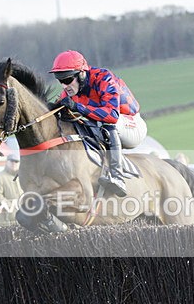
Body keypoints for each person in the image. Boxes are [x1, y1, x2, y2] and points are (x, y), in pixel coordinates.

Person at [50, 50, 147, 197]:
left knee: (107, 124)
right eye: (60, 81)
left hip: (131, 124)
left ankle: (117, 176)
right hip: (107, 126)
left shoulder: (104, 78)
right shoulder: (71, 90)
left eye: (68, 80)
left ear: (81, 74)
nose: (64, 86)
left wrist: (78, 107)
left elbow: (112, 115)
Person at [0, 153, 23, 226]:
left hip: (22, 218)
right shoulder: (0, 177)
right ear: (7, 162)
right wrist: (11, 206)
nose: (14, 163)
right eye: (11, 161)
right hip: (6, 219)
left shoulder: (22, 176)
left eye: (16, 161)